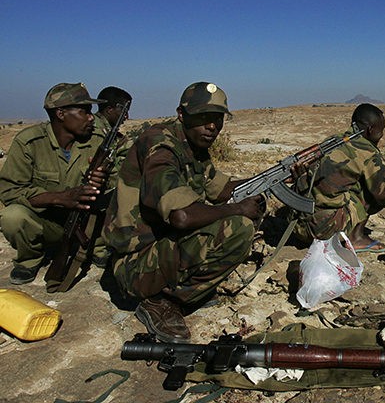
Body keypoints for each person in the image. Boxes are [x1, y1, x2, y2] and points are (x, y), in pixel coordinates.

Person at [103, 82, 264, 343]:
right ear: (181, 114)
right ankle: (161, 302)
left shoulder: (192, 145)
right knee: (238, 227)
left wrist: (274, 178)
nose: (212, 126)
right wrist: (237, 208)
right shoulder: (160, 146)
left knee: (234, 217)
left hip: (158, 249)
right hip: (134, 265)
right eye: (203, 117)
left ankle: (180, 290)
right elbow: (182, 216)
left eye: (217, 119)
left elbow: (221, 189)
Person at [0, 83, 108, 284]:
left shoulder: (97, 141)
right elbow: (10, 190)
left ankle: (98, 248)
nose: (91, 117)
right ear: (60, 114)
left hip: (85, 224)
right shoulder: (29, 142)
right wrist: (60, 198)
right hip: (46, 223)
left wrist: (103, 179)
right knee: (12, 216)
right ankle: (30, 259)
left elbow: (118, 182)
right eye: (84, 111)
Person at [292, 103, 385, 253]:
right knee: (370, 191)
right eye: (380, 131)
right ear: (370, 129)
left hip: (297, 225)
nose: (381, 136)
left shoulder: (333, 141)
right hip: (322, 231)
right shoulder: (366, 151)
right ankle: (356, 238)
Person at [91, 86, 134, 267]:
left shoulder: (110, 134)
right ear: (109, 109)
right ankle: (100, 249)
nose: (126, 117)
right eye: (123, 111)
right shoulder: (97, 133)